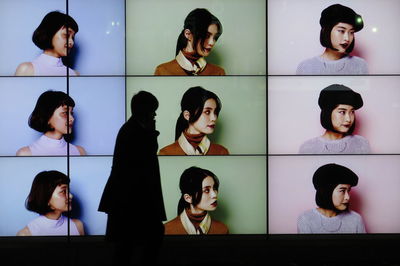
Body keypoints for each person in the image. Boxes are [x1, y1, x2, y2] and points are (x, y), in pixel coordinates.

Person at [98, 91, 166, 264]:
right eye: (152, 110)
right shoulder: (135, 132)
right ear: (145, 111)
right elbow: (143, 163)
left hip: (128, 200)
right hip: (133, 200)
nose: (155, 114)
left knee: (126, 247)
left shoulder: (130, 129)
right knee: (134, 245)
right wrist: (152, 133)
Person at [296, 4, 368, 75]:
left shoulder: (360, 65)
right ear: (327, 31)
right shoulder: (306, 67)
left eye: (351, 32)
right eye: (341, 31)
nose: (347, 38)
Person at [299, 84, 370, 154]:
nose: (348, 119)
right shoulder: (308, 148)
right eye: (342, 112)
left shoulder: (362, 144)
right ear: (328, 113)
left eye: (352, 112)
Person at [297, 163, 366, 234]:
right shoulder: (306, 219)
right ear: (327, 192)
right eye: (342, 190)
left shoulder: (356, 219)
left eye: (348, 191)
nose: (347, 197)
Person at [159, 86, 229, 155]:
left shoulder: (222, 152)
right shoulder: (166, 153)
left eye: (215, 112)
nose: (214, 118)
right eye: (207, 112)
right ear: (187, 115)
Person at [154, 8, 225, 75]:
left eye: (215, 37)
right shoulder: (162, 71)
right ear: (188, 34)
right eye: (206, 36)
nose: (212, 43)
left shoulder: (218, 72)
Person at [16, 90, 86, 156]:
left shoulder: (80, 152)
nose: (72, 119)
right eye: (65, 113)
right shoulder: (25, 153)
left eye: (71, 113)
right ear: (47, 117)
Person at [17, 170, 84, 236]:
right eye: (63, 191)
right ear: (46, 198)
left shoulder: (77, 226)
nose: (70, 196)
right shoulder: (25, 234)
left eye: (68, 190)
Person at [164, 166, 229, 235]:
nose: (214, 195)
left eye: (214, 188)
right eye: (206, 190)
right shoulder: (167, 230)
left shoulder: (222, 229)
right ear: (188, 198)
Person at [15, 11, 79, 76]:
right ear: (50, 33)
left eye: (73, 37)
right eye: (66, 35)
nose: (72, 42)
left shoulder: (74, 74)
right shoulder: (26, 69)